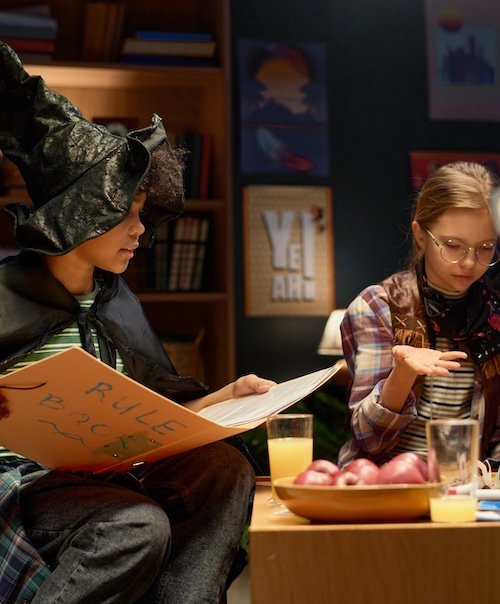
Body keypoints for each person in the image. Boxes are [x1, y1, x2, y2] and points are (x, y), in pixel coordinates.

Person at [0, 42, 275, 603]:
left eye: (142, 216)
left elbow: (146, 421)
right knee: (135, 526)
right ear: (81, 212)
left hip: (115, 476)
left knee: (224, 470)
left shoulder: (118, 302)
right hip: (26, 489)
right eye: (125, 217)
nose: (140, 232)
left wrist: (225, 401)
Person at [338, 161, 500, 468]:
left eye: (486, 247)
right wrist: (403, 373)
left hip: (465, 494)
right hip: (384, 489)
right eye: (453, 246)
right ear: (421, 235)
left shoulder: (497, 316)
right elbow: (368, 439)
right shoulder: (377, 307)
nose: (469, 262)